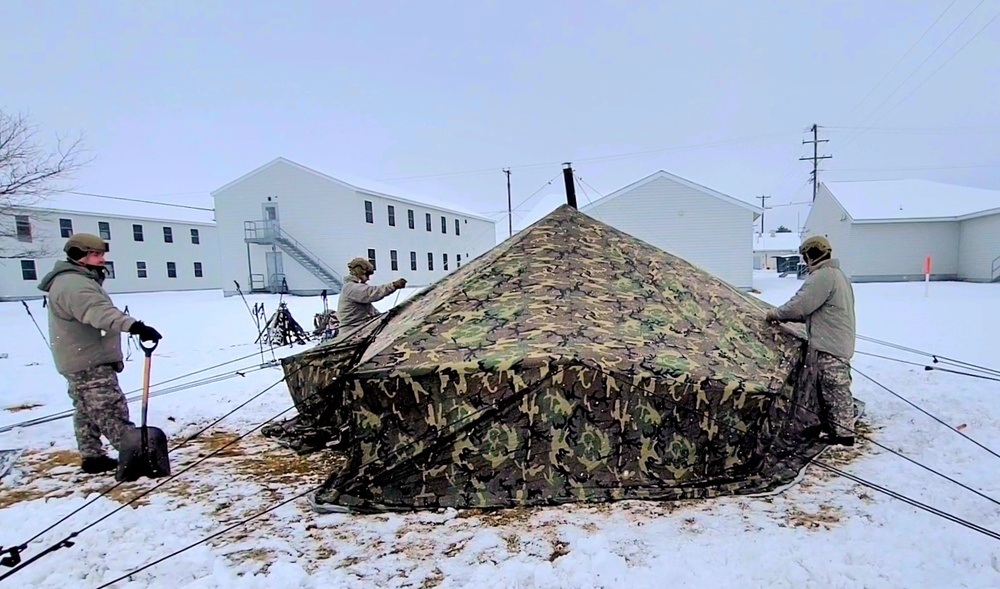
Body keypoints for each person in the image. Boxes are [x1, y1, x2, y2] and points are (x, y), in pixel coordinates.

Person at [37, 233, 162, 473]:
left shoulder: (75, 280)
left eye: (102, 254)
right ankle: (136, 458)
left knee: (86, 408)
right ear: (77, 255)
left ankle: (92, 456)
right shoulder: (74, 284)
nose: (101, 259)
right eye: (95, 254)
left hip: (79, 356)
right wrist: (135, 327)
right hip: (88, 359)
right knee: (109, 408)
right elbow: (98, 313)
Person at [766, 235, 857, 446]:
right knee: (826, 388)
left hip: (830, 343)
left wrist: (775, 314)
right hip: (835, 340)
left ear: (810, 255)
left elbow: (800, 305)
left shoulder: (823, 277)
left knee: (835, 387)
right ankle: (832, 426)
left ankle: (844, 435)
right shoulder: (837, 275)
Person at [337, 257, 406, 333]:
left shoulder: (354, 288)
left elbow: (370, 311)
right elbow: (373, 293)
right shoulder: (351, 288)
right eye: (367, 275)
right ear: (360, 273)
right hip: (351, 333)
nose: (368, 279)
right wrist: (393, 285)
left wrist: (386, 316)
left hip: (359, 329)